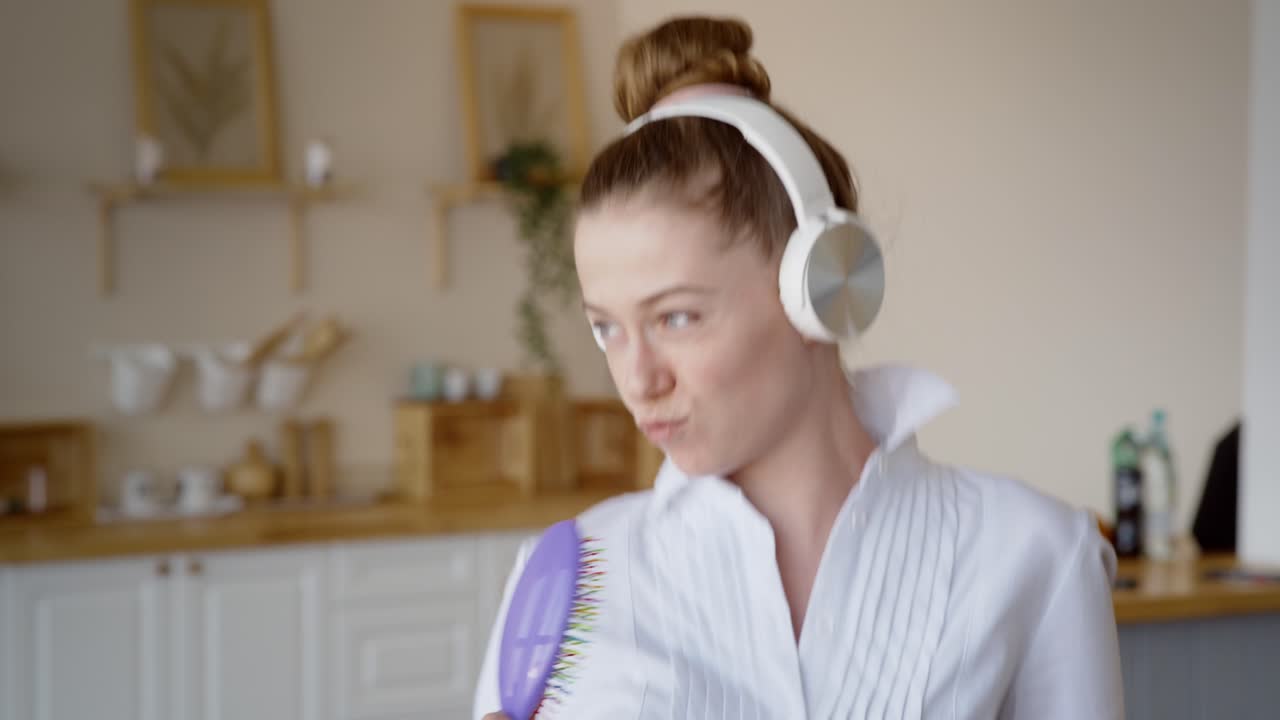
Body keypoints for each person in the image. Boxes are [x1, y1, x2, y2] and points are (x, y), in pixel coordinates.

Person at [476, 15, 1123, 720]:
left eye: (676, 317)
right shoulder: (568, 579)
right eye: (607, 328)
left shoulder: (1034, 555)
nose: (638, 380)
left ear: (821, 288)